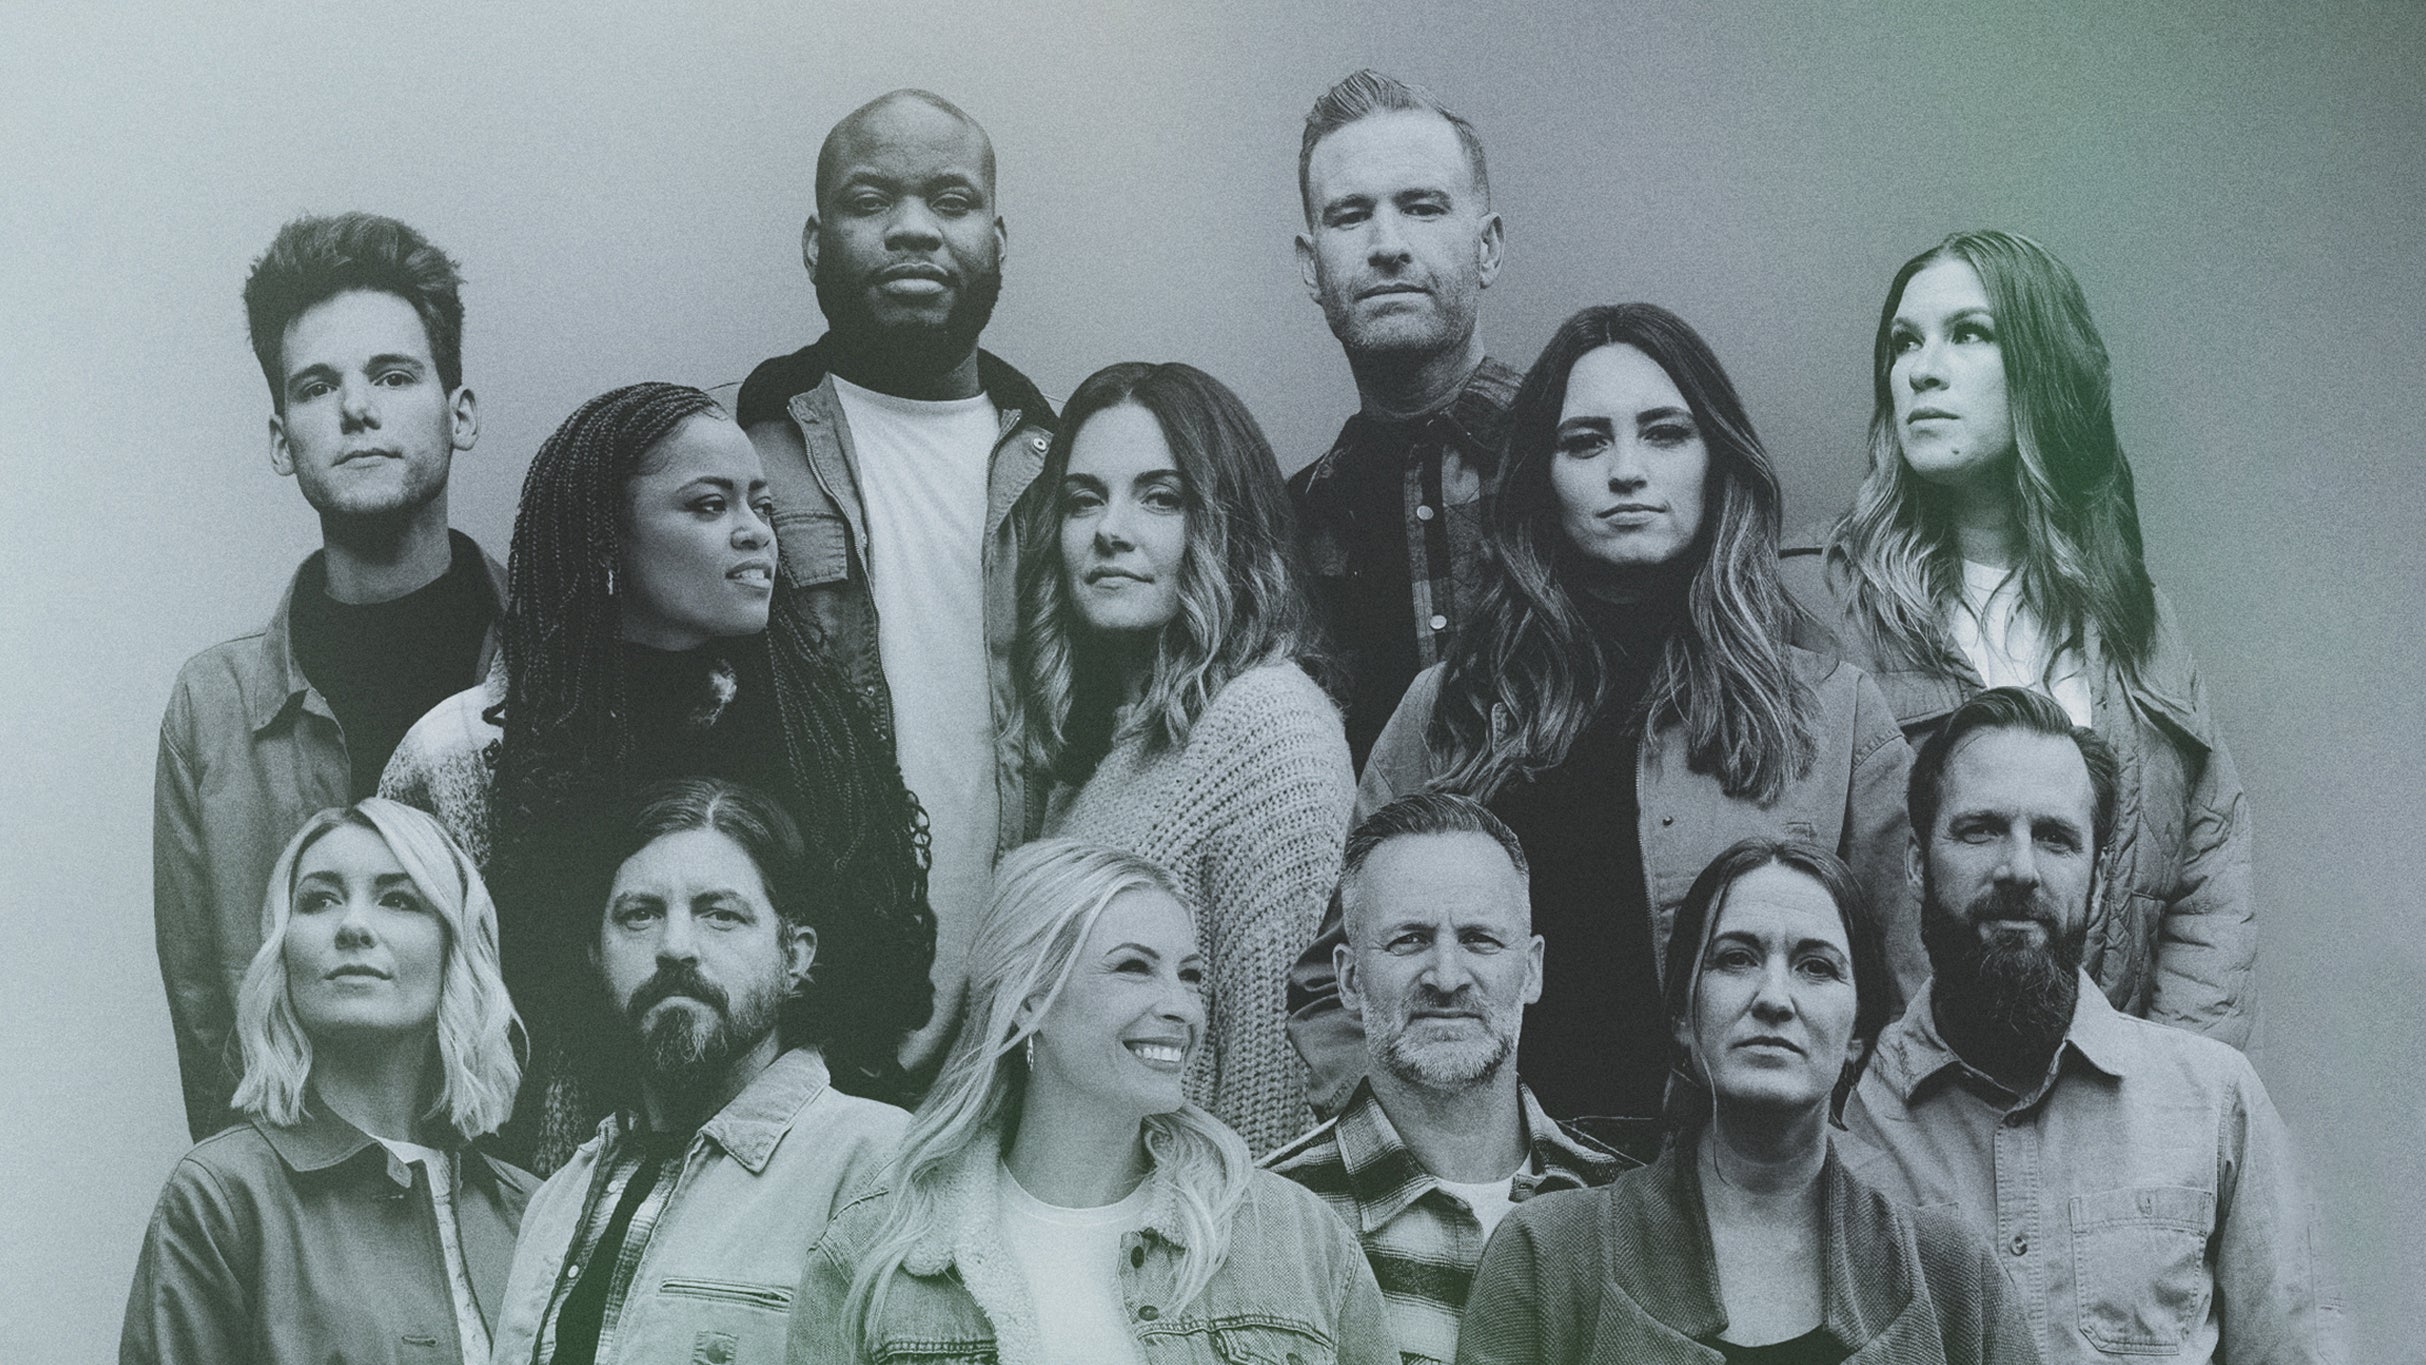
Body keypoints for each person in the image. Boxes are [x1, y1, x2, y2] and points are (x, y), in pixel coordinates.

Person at [1290, 303, 1918, 1138]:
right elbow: (1330, 993)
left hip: (1731, 1191)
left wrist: (1821, 1176)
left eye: (1664, 434)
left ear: (1718, 459)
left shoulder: (1833, 710)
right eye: (1586, 442)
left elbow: (1914, 1008)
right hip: (1507, 1201)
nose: (1627, 471)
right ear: (1539, 477)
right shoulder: (1446, 711)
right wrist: (1412, 1161)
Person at [381, 382, 932, 1171]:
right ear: (608, 540)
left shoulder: (821, 739)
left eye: (762, 506)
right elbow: (405, 1028)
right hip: (536, 1195)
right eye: (710, 505)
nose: (756, 533)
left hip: (782, 1194)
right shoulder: (458, 755)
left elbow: (871, 999)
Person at [1783, 229, 2255, 1047]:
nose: (1922, 369)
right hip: (1893, 1103)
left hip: (2113, 1099)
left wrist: (2162, 1084)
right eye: (1904, 343)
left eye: (1969, 333)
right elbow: (1775, 886)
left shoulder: (2137, 620)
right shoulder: (1815, 597)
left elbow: (2211, 880)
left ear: (2044, 367)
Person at [1843, 688, 2343, 1365]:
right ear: (1915, 864)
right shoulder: (1847, 1119)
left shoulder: (2217, 1102)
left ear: (2100, 881)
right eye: (1980, 829)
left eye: (2055, 837)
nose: (2020, 869)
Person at [155, 212, 505, 1139]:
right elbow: (209, 1029)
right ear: (282, 440)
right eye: (317, 386)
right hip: (299, 1199)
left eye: (393, 375)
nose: (357, 409)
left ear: (460, 412)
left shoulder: (561, 664)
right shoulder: (214, 706)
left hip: (537, 1199)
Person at [735, 88, 1057, 1077]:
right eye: (871, 200)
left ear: (996, 240)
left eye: (950, 201)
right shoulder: (730, 465)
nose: (914, 228)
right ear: (813, 242)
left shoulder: (1069, 481)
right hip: (812, 1036)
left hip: (1030, 1026)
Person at [789, 839, 1394, 1364]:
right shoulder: (873, 1251)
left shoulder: (1296, 1238)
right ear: (1030, 999)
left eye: (1189, 975)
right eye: (1133, 968)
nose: (1181, 1007)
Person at [1458, 839, 2035, 1365]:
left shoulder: (1954, 1280)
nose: (1774, 999)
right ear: (1683, 1014)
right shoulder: (1551, 1258)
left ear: (1859, 1030)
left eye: (1816, 967)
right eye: (1736, 958)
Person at [1012, 360, 1353, 1156]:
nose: (1110, 529)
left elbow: (1281, 1089)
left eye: (1159, 497)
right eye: (1083, 499)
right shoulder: (1098, 741)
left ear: (1225, 523)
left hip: (1190, 1218)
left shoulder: (1269, 724)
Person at [487, 777, 914, 1365]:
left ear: (795, 955)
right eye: (640, 915)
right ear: (597, 956)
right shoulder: (555, 1201)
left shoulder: (881, 1166)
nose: (675, 945)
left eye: (721, 914)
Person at [122, 799, 531, 1365]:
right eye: (319, 900)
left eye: (398, 899)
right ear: (283, 952)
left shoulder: (535, 1208)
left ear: (452, 950)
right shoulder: (221, 1196)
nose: (353, 926)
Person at [1266, 793, 1631, 1365]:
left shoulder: (1628, 1208)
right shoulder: (1264, 1220)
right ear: (1348, 978)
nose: (1446, 976)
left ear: (1531, 970)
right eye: (1409, 939)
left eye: (1479, 939)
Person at [1288, 69, 1513, 765]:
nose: (1387, 243)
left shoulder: (1583, 459)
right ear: (1311, 267)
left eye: (1421, 207)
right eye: (1350, 215)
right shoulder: (1290, 523)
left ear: (1487, 248)